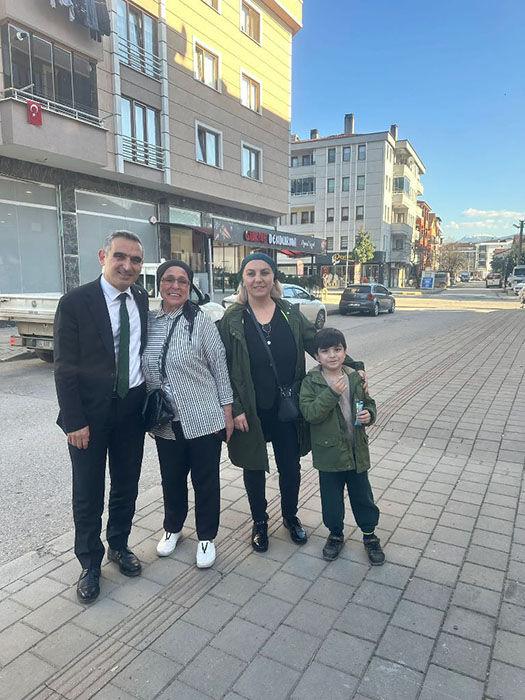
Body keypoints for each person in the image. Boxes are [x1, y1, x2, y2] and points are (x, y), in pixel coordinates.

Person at [217, 253, 366, 553]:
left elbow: (317, 343)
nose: (258, 279)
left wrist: (353, 366)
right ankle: (260, 522)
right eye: (251, 273)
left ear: (274, 277)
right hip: (251, 410)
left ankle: (290, 516)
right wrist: (236, 407)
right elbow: (223, 366)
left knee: (290, 466)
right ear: (243, 279)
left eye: (264, 272)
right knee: (253, 466)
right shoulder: (233, 319)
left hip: (288, 407)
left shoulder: (289, 313)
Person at [54, 231, 148, 604]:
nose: (128, 265)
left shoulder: (141, 298)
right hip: (89, 416)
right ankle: (90, 563)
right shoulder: (76, 302)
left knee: (126, 484)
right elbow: (63, 368)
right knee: (88, 491)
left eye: (135, 259)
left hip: (131, 410)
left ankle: (119, 545)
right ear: (102, 256)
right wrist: (74, 420)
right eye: (120, 256)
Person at [142, 261, 233, 568]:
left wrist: (227, 412)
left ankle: (206, 536)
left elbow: (220, 368)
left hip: (204, 418)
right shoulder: (149, 321)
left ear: (190, 287)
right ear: (159, 284)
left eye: (182, 281)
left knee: (205, 481)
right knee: (171, 479)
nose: (175, 286)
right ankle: (173, 528)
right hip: (165, 421)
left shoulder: (201, 322)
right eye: (169, 279)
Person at [299, 328, 384, 564]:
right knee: (331, 500)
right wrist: (332, 393)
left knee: (363, 496)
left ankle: (369, 535)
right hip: (329, 454)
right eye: (325, 351)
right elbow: (310, 413)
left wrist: (370, 414)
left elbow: (368, 402)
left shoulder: (355, 377)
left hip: (356, 451)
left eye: (337, 349)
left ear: (345, 352)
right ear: (316, 356)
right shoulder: (311, 382)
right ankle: (335, 534)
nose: (332, 355)